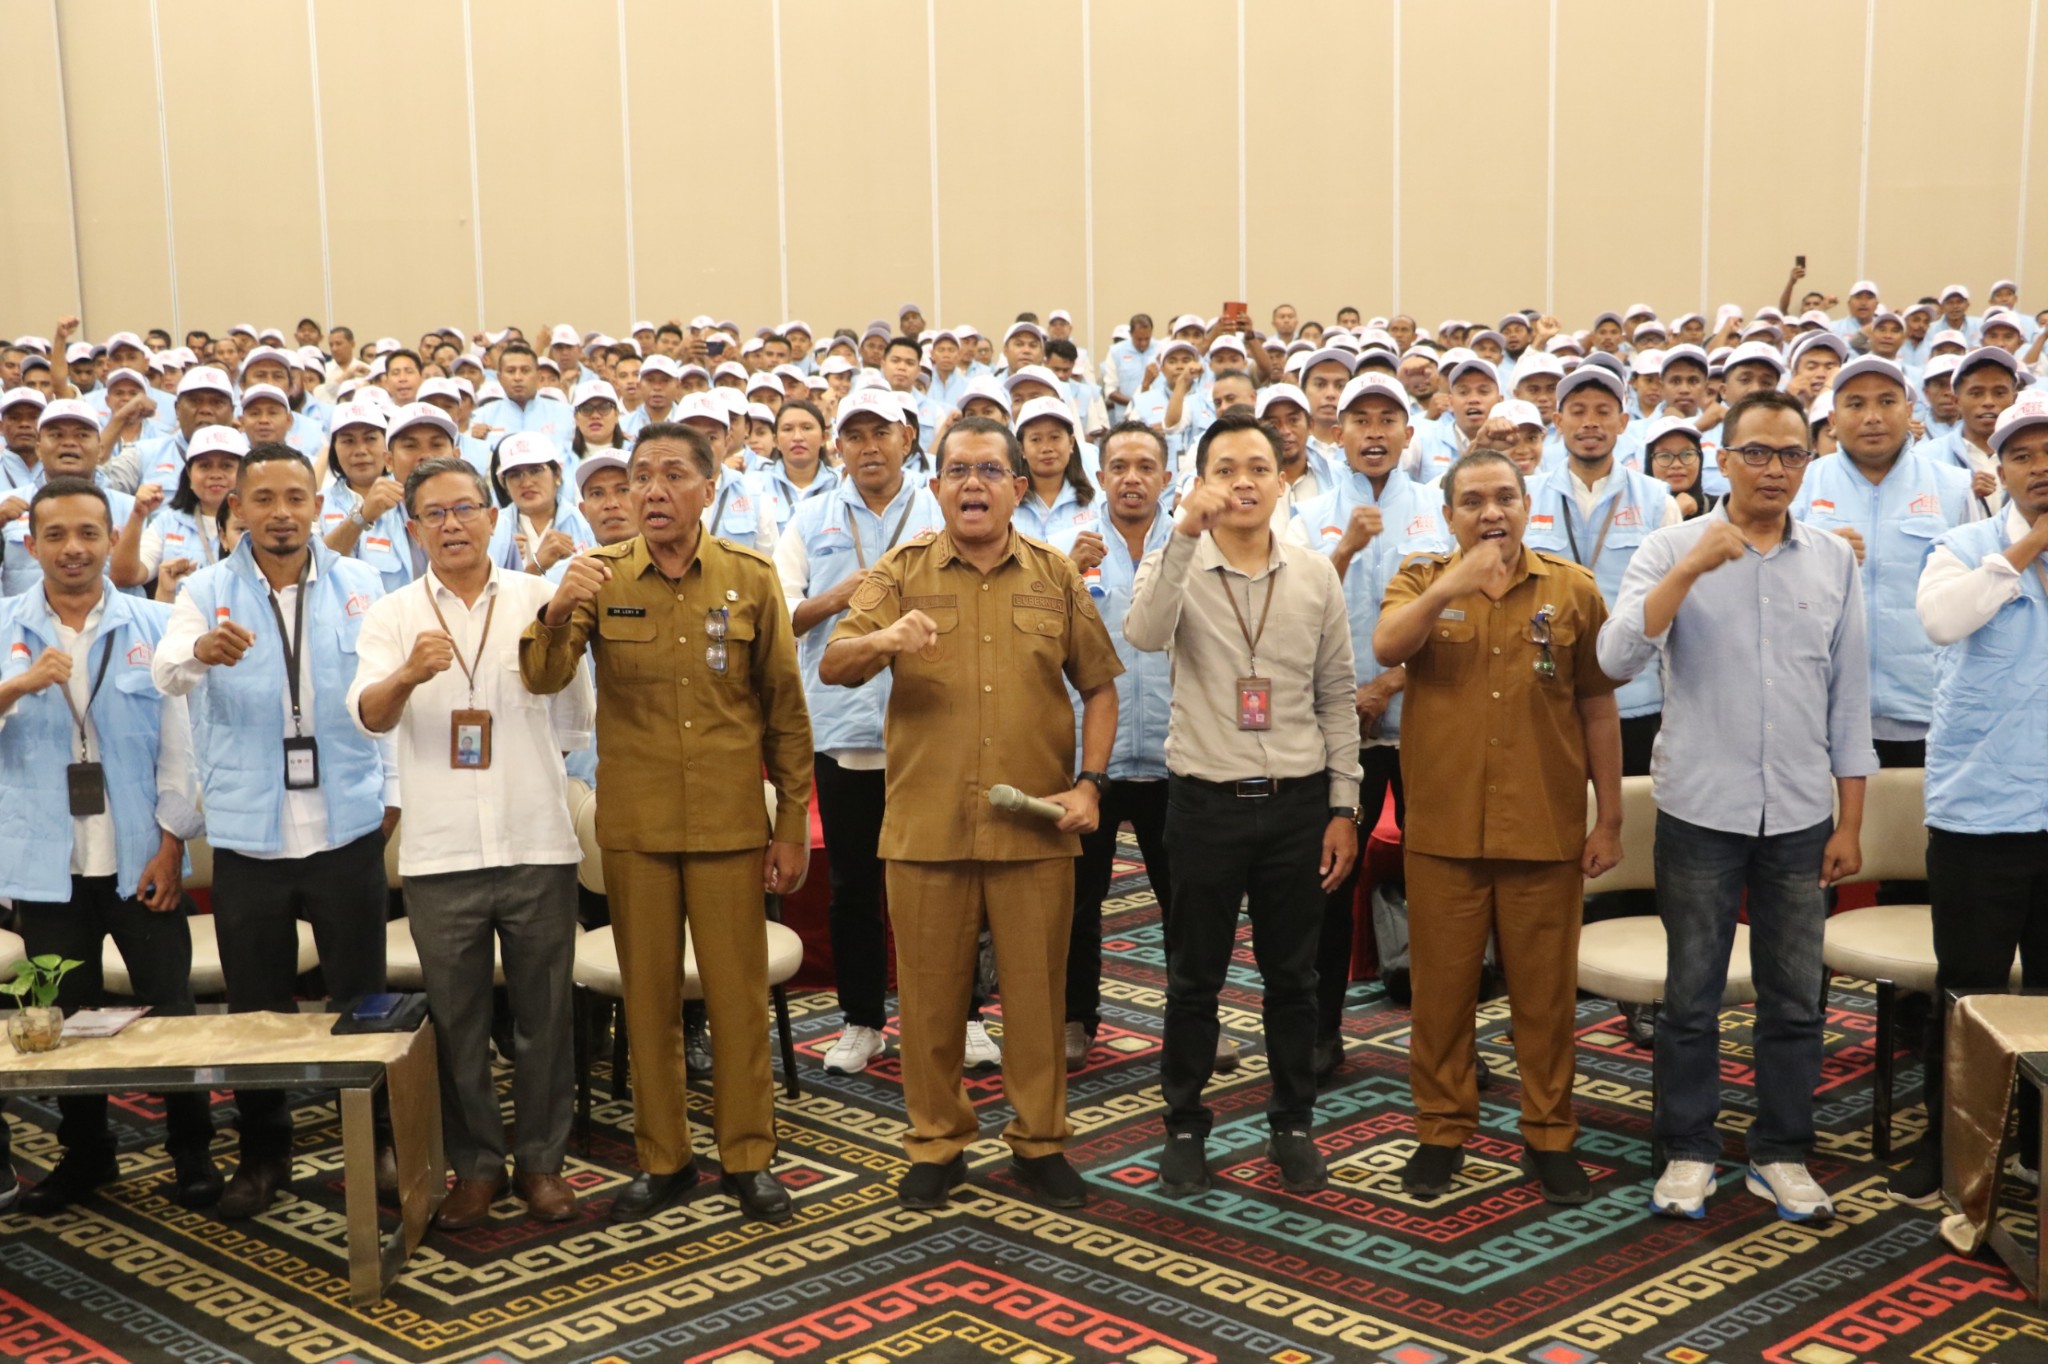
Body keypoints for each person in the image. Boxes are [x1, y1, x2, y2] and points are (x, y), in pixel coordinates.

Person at [820, 415, 1122, 1212]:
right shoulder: (900, 571)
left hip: (1034, 825)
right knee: (926, 1001)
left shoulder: (1055, 575)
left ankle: (1040, 1141)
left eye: (990, 470)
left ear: (1018, 488)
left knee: (1037, 999)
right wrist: (885, 637)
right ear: (937, 486)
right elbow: (835, 663)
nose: (973, 484)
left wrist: (1091, 784)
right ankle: (937, 1141)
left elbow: (1099, 686)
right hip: (928, 825)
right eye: (958, 470)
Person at [519, 421, 812, 1226]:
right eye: (639, 476)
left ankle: (748, 1157)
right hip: (638, 828)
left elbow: (785, 710)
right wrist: (557, 608)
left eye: (672, 474)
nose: (651, 490)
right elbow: (542, 678)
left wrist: (791, 821)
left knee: (736, 999)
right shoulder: (601, 574)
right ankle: (665, 1160)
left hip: (727, 824)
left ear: (709, 489)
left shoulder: (750, 578)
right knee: (646, 1001)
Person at [1598, 390, 1875, 1224]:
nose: (1774, 469)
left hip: (1800, 814)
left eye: (1791, 454)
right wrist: (1689, 569)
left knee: (1796, 998)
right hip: (1700, 810)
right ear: (1723, 461)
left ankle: (1781, 1151)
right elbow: (1614, 658)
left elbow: (1849, 698)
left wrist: (1851, 821)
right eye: (1756, 452)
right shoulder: (1669, 546)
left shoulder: (1832, 559)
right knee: (1691, 996)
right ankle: (1688, 1147)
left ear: (1807, 464)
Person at [151, 443, 402, 1219]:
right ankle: (264, 1154)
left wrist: (392, 793)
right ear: (237, 509)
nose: (282, 513)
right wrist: (200, 651)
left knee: (363, 1001)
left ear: (318, 506)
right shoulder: (205, 591)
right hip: (249, 835)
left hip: (346, 826)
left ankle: (380, 1142)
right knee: (257, 1013)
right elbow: (165, 672)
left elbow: (387, 698)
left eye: (297, 497)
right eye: (264, 499)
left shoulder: (363, 584)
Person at [349, 456, 593, 1228]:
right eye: (435, 514)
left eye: (465, 509)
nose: (452, 525)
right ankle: (477, 1169)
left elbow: (572, 721)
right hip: (442, 851)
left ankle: (543, 1164)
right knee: (457, 1023)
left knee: (545, 1016)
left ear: (492, 517)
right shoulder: (391, 613)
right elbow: (371, 715)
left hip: (536, 841)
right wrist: (407, 676)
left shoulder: (539, 600)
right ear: (413, 528)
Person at [1374, 449, 1623, 1204]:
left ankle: (1549, 1135)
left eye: (1505, 498)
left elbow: (1597, 706)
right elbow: (1387, 648)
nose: (1491, 513)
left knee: (1544, 1001)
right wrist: (1452, 583)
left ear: (1526, 505)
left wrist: (1609, 818)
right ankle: (1441, 1130)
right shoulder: (1421, 579)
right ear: (1448, 513)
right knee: (1440, 996)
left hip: (1542, 827)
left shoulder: (1572, 589)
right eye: (1473, 501)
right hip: (1443, 831)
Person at [1122, 410, 1362, 1196]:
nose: (1243, 483)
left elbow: (1336, 697)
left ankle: (1292, 1122)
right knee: (1195, 978)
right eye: (1225, 470)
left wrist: (1343, 807)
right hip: (1205, 804)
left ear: (1283, 480)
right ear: (1201, 483)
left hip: (1297, 806)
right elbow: (1144, 634)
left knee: (1293, 979)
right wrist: (1183, 533)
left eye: (1258, 467)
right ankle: (1186, 1124)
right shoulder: (1175, 560)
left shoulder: (1314, 574)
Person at [0, 478, 215, 1215]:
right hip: (46, 864)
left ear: (111, 539)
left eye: (88, 533)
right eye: (56, 535)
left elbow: (182, 748)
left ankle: (192, 1151)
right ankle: (86, 1154)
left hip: (140, 858)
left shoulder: (155, 624)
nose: (73, 548)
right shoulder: (4, 626)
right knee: (64, 1017)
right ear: (31, 544)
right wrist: (18, 686)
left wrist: (171, 845)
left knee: (172, 1011)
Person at [1895, 394, 2048, 1204]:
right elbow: (1943, 621)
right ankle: (1951, 1147)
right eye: (2023, 455)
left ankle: (2036, 1149)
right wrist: (2030, 546)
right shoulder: (1960, 546)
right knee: (1968, 994)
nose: (2040, 467)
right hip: (1981, 814)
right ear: (2002, 470)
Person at [1292, 374, 1448, 1068]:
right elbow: (1289, 608)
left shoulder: (1440, 509)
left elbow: (1459, 614)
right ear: (1339, 434)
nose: (1375, 432)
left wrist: (1391, 681)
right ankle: (1320, 1031)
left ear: (1409, 435)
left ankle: (1446, 1034)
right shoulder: (1307, 516)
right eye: (1361, 420)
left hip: (1426, 721)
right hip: (1338, 730)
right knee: (1329, 881)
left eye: (1389, 419)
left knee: (1440, 882)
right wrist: (1345, 549)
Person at [1061, 423, 1182, 1072]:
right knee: (1080, 901)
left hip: (1178, 753)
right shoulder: (1068, 545)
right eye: (1119, 466)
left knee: (1187, 902)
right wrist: (1063, 573)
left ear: (1167, 477)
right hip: (1092, 760)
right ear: (1101, 476)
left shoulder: (1194, 545)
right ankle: (1074, 1016)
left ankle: (1195, 1019)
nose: (1132, 478)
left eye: (1145, 466)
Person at [1792, 356, 1976, 773]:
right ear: (1833, 420)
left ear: (1910, 411)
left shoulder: (1952, 486)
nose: (1872, 417)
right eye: (1856, 404)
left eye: (1887, 402)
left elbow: (1972, 596)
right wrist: (1811, 557)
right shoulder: (1802, 484)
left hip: (1929, 709)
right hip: (1824, 708)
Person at [1524, 365, 1681, 776]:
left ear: (1623, 422)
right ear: (1557, 422)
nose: (1590, 422)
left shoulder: (1657, 502)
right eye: (1577, 411)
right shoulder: (1524, 498)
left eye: (1603, 411)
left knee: (1629, 808)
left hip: (1634, 697)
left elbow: (1675, 607)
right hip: (1545, 695)